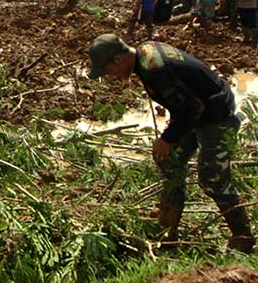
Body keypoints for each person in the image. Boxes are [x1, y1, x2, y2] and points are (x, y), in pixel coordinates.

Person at [87, 34, 254, 252]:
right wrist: (170, 139)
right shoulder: (145, 53)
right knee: (168, 160)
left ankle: (243, 237)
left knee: (212, 180)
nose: (112, 76)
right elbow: (184, 102)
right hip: (198, 112)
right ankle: (167, 230)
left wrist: (167, 138)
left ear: (119, 60)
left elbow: (193, 107)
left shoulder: (155, 70)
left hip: (216, 115)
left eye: (108, 70)